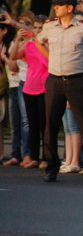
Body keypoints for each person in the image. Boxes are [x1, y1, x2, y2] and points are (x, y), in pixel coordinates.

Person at [33, 0, 83, 182]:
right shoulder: (50, 27)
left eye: (59, 5)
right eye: (55, 5)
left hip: (76, 80)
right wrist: (51, 58)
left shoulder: (82, 29)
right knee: (51, 125)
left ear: (70, 8)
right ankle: (51, 168)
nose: (56, 8)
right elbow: (38, 42)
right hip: (55, 80)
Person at [9, 22, 48, 170]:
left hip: (44, 86)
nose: (37, 30)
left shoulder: (46, 45)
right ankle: (34, 157)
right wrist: (19, 39)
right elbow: (13, 57)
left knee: (44, 124)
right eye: (35, 28)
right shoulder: (29, 45)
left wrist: (40, 40)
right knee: (32, 124)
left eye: (40, 28)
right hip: (29, 87)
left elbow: (48, 60)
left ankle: (46, 158)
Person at [3, 13, 32, 167]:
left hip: (29, 82)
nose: (22, 26)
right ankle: (15, 154)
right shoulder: (16, 41)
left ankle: (28, 155)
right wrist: (18, 40)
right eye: (20, 23)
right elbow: (14, 61)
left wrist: (4, 58)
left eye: (26, 24)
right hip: (16, 83)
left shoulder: (33, 42)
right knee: (15, 122)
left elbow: (12, 64)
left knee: (26, 121)